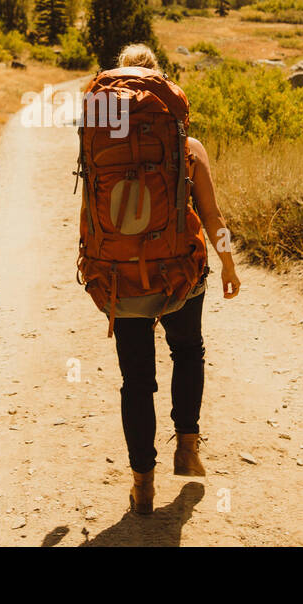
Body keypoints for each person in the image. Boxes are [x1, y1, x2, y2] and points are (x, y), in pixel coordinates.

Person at [108, 44, 240, 516]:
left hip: (122, 277)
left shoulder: (103, 144)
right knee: (188, 351)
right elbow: (211, 214)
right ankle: (187, 446)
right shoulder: (187, 145)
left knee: (136, 381)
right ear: (162, 89)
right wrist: (227, 263)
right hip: (180, 273)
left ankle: (143, 483)